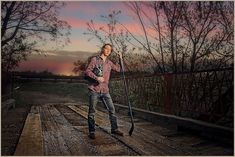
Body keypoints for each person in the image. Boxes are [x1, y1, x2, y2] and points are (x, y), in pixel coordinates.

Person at [85, 43, 124, 139]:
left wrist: (120, 58)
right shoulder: (95, 60)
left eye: (110, 50)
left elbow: (119, 69)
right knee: (92, 112)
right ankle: (92, 131)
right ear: (103, 49)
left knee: (112, 110)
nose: (108, 51)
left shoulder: (109, 63)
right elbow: (87, 71)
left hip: (105, 90)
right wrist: (97, 78)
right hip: (94, 89)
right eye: (106, 48)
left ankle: (114, 129)